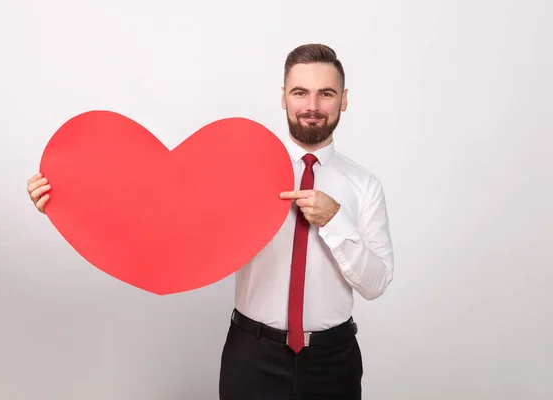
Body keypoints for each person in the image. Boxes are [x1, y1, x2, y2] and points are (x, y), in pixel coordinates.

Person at [26, 43, 394, 400]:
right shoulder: (242, 169)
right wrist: (69, 201)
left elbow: (375, 283)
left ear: (344, 99)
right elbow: (164, 218)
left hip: (334, 360)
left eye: (326, 94)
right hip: (253, 356)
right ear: (283, 97)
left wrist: (334, 221)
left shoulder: (364, 186)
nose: (312, 106)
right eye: (301, 92)